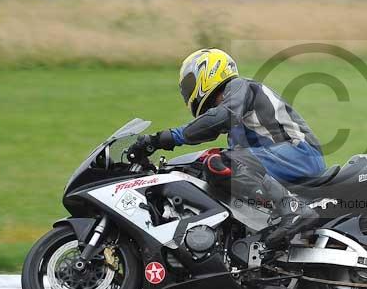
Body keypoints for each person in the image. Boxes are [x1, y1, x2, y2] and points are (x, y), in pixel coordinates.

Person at [128, 48, 326, 248]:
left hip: (300, 154)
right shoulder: (235, 119)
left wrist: (160, 139)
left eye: (189, 83)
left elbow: (219, 119)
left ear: (209, 71)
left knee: (219, 162)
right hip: (284, 160)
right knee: (212, 165)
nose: (188, 93)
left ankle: (293, 211)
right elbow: (212, 130)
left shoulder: (239, 86)